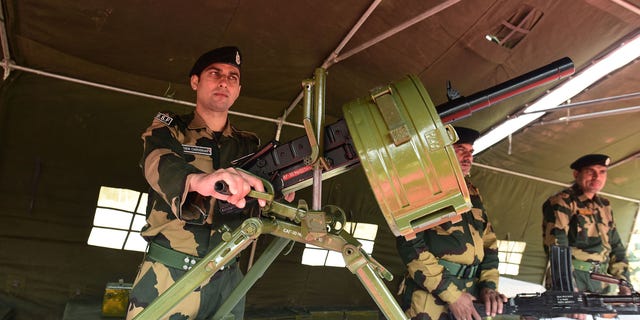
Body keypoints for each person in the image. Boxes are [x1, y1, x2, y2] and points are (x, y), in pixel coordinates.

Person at [126, 46, 269, 320]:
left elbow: (261, 201)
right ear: (195, 82)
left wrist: (277, 193)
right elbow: (157, 161)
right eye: (215, 73)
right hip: (171, 275)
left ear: (238, 89)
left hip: (227, 280)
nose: (224, 81)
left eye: (233, 77)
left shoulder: (248, 144)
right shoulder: (170, 128)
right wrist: (198, 180)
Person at [396, 126, 507, 320]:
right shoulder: (422, 188)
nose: (468, 158)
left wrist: (489, 287)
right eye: (460, 150)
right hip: (430, 295)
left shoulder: (471, 191)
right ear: (441, 152)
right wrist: (452, 295)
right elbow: (410, 246)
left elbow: (489, 242)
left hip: (471, 291)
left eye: (471, 152)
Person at [542, 154, 631, 295]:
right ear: (576, 174)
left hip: (601, 281)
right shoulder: (562, 202)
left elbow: (616, 247)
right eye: (591, 172)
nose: (597, 177)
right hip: (572, 277)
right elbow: (557, 247)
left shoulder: (605, 206)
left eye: (602, 172)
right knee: (567, 317)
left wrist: (624, 282)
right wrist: (568, 289)